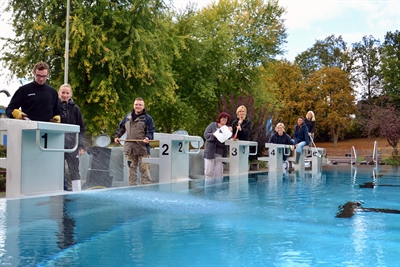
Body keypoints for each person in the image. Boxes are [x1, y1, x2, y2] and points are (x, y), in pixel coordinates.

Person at [114, 97, 155, 186]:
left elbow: (151, 131)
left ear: (143, 107)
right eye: (136, 104)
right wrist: (117, 136)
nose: (138, 106)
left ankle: (147, 193)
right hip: (130, 149)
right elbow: (121, 128)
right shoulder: (127, 117)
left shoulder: (148, 119)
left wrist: (148, 138)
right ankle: (132, 193)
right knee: (131, 174)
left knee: (145, 174)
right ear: (134, 105)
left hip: (143, 150)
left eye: (140, 105)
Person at [58, 84, 86, 191]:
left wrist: (81, 145)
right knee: (57, 168)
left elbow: (81, 128)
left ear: (70, 94)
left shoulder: (75, 109)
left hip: (72, 145)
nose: (65, 95)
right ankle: (60, 190)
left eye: (67, 93)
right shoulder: (55, 107)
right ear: (59, 93)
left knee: (74, 169)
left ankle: (77, 192)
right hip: (57, 144)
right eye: (63, 92)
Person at [203, 112, 232, 178]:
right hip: (210, 151)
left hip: (220, 152)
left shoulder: (227, 128)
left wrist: (230, 131)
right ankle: (208, 186)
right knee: (209, 171)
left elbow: (231, 138)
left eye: (226, 119)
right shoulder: (213, 125)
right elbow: (206, 134)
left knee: (219, 172)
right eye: (223, 118)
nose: (224, 119)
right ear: (220, 118)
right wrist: (213, 135)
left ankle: (218, 187)